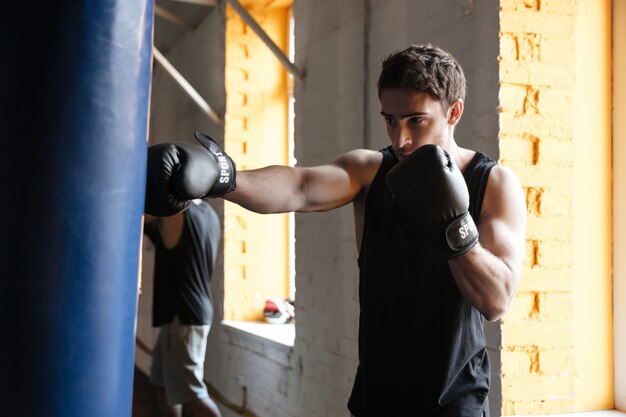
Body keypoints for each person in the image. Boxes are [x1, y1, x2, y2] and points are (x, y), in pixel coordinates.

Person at [144, 44, 527, 416]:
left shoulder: (493, 184)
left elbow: (496, 301)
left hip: (454, 402)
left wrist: (454, 225)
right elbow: (301, 186)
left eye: (416, 120)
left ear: (454, 112)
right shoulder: (372, 170)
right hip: (376, 398)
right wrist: (222, 177)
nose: (401, 140)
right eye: (390, 121)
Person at [143, 199, 223, 417]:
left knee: (193, 396)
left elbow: (135, 218)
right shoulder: (208, 213)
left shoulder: (174, 214)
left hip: (182, 316)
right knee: (162, 385)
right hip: (192, 311)